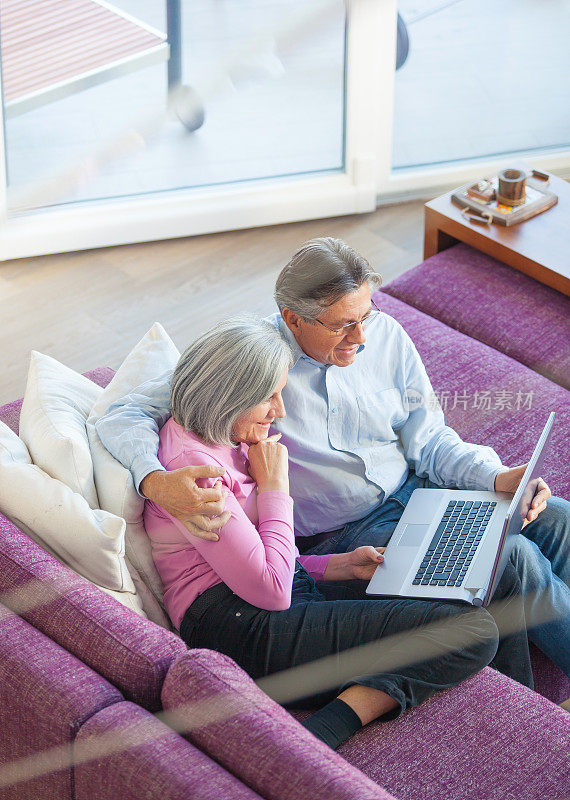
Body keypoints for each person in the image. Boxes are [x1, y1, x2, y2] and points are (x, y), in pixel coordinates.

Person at [96, 238, 570, 678]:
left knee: (558, 518)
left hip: (419, 488)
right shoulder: (251, 360)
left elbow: (428, 439)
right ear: (293, 318)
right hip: (345, 532)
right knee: (511, 558)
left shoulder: (383, 336)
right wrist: (154, 482)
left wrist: (496, 476)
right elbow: (123, 412)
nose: (361, 336)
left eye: (367, 314)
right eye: (344, 323)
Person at [143, 314, 524, 750]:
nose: (280, 412)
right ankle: (321, 733)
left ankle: (531, 717)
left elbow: (257, 559)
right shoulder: (194, 476)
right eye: (268, 398)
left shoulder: (226, 438)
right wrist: (274, 487)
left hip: (278, 598)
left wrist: (339, 567)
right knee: (472, 629)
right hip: (241, 628)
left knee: (486, 575)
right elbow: (270, 590)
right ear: (229, 396)